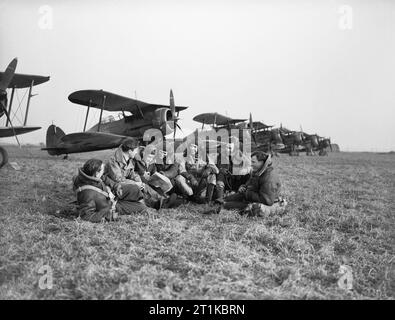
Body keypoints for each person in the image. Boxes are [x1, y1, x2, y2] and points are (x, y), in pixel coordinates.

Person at [205, 151, 286, 216]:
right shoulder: (258, 172)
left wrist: (248, 193)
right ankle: (220, 202)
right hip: (250, 197)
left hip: (260, 204)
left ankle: (222, 207)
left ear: (261, 162)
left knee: (227, 206)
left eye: (253, 162)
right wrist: (244, 186)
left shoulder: (269, 178)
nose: (251, 164)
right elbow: (250, 183)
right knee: (223, 201)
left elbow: (267, 201)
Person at [72, 158, 147, 223]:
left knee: (135, 188)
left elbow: (104, 178)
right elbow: (86, 215)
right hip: (110, 206)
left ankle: (149, 201)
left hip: (111, 194)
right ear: (97, 173)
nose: (104, 171)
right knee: (141, 207)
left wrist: (115, 186)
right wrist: (109, 216)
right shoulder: (86, 194)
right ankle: (142, 202)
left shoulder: (90, 175)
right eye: (102, 170)